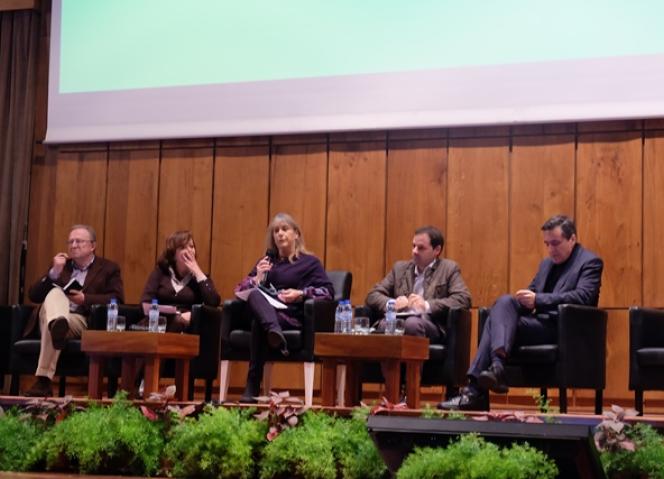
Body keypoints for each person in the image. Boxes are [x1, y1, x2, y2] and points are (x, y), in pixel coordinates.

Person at [439, 215, 604, 411]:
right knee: (504, 303)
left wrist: (538, 300)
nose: (551, 249)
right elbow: (532, 293)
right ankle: (496, 368)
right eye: (547, 244)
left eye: (555, 243)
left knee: (494, 320)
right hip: (537, 324)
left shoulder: (590, 262)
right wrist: (521, 302)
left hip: (563, 329)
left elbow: (583, 296)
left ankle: (475, 391)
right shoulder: (546, 264)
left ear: (572, 239)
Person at [235, 212, 334, 403]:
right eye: (276, 231)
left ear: (296, 234)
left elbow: (328, 292)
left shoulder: (309, 262)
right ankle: (273, 331)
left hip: (288, 314)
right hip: (267, 312)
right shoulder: (265, 263)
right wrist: (257, 277)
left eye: (284, 229)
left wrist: (301, 294)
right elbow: (239, 290)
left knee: (258, 323)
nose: (280, 234)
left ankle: (252, 384)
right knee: (255, 295)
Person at [24, 224, 124, 397]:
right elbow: (33, 295)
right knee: (55, 295)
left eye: (79, 241)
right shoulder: (61, 266)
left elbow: (117, 299)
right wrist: (54, 273)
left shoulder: (109, 268)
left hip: (79, 318)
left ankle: (44, 381)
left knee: (53, 324)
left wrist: (85, 299)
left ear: (92, 246)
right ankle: (57, 323)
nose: (73, 245)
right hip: (50, 314)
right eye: (70, 241)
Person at [366, 225, 471, 342]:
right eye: (413, 246)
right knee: (385, 324)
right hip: (398, 318)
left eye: (421, 248)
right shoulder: (400, 269)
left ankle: (413, 361)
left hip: (428, 322)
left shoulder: (448, 269)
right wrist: (393, 303)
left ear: (437, 250)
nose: (414, 251)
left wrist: (426, 305)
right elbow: (372, 295)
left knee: (411, 324)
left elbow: (463, 299)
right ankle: (389, 361)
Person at [140, 230, 221, 331]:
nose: (190, 251)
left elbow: (214, 302)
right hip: (157, 325)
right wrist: (176, 316)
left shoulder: (200, 278)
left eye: (191, 247)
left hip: (186, 329)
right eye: (183, 248)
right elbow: (145, 302)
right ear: (173, 255)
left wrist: (197, 270)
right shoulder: (161, 272)